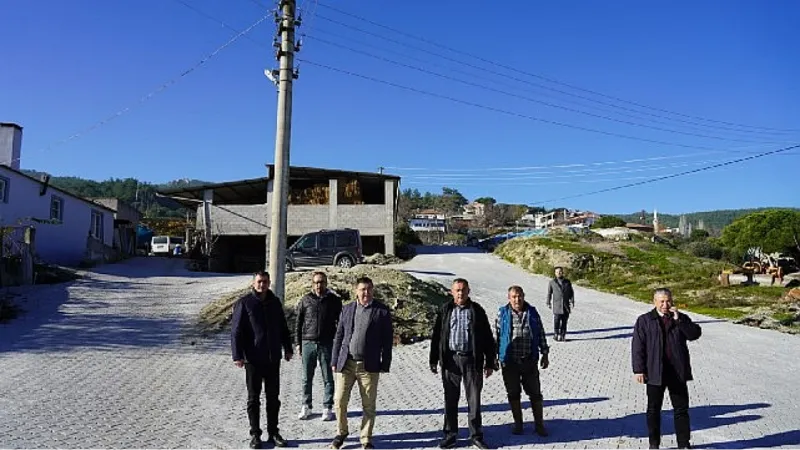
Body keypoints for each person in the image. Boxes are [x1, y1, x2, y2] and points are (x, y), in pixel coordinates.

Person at [632, 288, 702, 450]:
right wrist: (639, 369)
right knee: (653, 410)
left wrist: (680, 320)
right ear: (654, 302)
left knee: (681, 410)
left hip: (677, 372)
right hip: (655, 372)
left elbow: (694, 334)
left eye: (668, 301)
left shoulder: (680, 318)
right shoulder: (645, 320)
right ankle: (654, 443)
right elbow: (637, 346)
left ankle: (684, 444)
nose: (665, 305)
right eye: (661, 301)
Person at [429, 278, 496, 450]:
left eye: (463, 290)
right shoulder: (445, 310)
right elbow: (437, 335)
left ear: (468, 291)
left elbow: (488, 337)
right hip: (450, 361)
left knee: (474, 400)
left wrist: (490, 361)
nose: (460, 293)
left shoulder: (477, 311)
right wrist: (433, 358)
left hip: (472, 361)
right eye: (457, 290)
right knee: (450, 400)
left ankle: (476, 435)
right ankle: (450, 435)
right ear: (452, 292)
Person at [231, 271, 293, 449]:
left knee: (273, 398)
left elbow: (283, 327)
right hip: (253, 360)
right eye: (259, 282)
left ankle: (273, 432)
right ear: (253, 283)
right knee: (253, 399)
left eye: (265, 282)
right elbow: (236, 331)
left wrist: (287, 348)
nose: (262, 285)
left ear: (269, 283)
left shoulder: (275, 302)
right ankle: (255, 434)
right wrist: (238, 355)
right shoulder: (244, 303)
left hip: (273, 358)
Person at [330, 276, 393, 450]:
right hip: (346, 363)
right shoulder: (347, 309)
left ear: (373, 290)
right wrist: (335, 359)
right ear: (356, 291)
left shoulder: (382, 311)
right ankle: (341, 432)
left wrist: (385, 363)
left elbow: (387, 340)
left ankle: (366, 439)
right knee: (339, 401)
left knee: (369, 405)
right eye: (362, 289)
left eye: (369, 289)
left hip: (369, 366)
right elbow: (339, 336)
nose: (366, 292)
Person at [495, 285, 550, 436]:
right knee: (513, 394)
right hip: (509, 362)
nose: (517, 299)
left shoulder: (532, 312)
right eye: (513, 296)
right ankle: (518, 424)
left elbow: (540, 333)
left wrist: (544, 353)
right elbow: (497, 336)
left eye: (519, 296)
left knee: (535, 394)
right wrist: (494, 356)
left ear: (523, 296)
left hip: (529, 360)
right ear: (509, 298)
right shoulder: (502, 313)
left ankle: (539, 424)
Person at [295, 271, 342, 421]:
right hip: (308, 342)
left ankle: (327, 407)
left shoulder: (334, 300)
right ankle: (306, 406)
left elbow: (340, 324)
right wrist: (297, 343)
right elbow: (298, 323)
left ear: (326, 283)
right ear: (312, 284)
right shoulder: (305, 300)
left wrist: (339, 344)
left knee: (328, 378)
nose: (318, 285)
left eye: (321, 282)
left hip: (326, 343)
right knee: (306, 378)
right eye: (315, 282)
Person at [546, 266, 575, 341]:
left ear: (562, 272)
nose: (559, 273)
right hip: (557, 305)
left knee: (564, 322)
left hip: (565, 306)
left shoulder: (567, 282)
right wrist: (548, 302)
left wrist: (572, 301)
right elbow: (549, 293)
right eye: (557, 272)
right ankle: (556, 334)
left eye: (560, 271)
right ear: (555, 273)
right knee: (556, 321)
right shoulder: (552, 282)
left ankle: (563, 335)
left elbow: (571, 292)